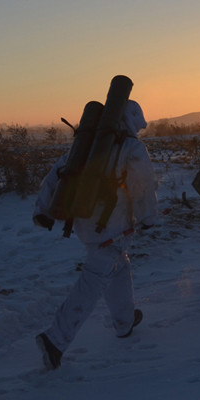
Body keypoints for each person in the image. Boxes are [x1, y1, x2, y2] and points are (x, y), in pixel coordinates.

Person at [33, 100, 158, 370]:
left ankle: (124, 321)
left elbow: (56, 174)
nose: (143, 125)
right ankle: (55, 339)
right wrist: (148, 217)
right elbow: (143, 186)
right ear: (132, 118)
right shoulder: (131, 148)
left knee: (119, 266)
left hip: (84, 221)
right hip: (111, 227)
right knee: (94, 280)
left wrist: (43, 210)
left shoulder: (87, 147)